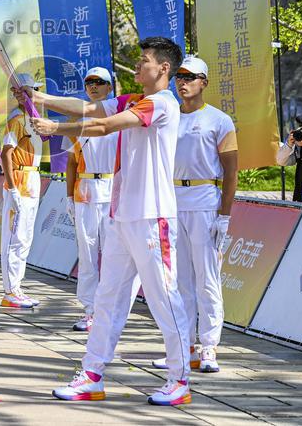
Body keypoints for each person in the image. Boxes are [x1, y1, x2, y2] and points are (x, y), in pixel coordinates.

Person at [28, 37, 193, 407]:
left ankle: (179, 378)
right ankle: (92, 374)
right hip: (121, 216)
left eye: (144, 61)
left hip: (152, 217)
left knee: (164, 299)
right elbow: (88, 109)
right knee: (107, 299)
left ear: (163, 68)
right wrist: (41, 99)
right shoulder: (132, 100)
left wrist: (56, 129)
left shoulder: (162, 104)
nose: (137, 67)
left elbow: (104, 127)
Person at [150, 56, 238, 374]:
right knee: (179, 281)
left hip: (204, 201)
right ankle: (183, 348)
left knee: (207, 280)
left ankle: (209, 347)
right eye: (179, 76)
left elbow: (231, 173)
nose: (182, 81)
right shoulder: (169, 116)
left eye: (190, 76)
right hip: (173, 201)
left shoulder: (219, 120)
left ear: (204, 82)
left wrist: (224, 216)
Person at [66, 67, 120, 332]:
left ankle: (109, 311)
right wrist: (68, 196)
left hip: (111, 189)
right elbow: (72, 161)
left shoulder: (120, 121)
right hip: (85, 190)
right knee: (87, 255)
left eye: (100, 83)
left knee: (112, 255)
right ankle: (90, 310)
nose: (94, 86)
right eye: (89, 83)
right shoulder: (79, 121)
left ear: (110, 88)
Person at [0, 73, 44, 309]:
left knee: (25, 238)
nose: (33, 94)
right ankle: (10, 291)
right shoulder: (16, 119)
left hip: (33, 178)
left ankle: (17, 287)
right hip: (19, 180)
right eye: (28, 90)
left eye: (35, 90)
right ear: (18, 93)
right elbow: (6, 152)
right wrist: (13, 188)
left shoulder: (34, 119)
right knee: (14, 238)